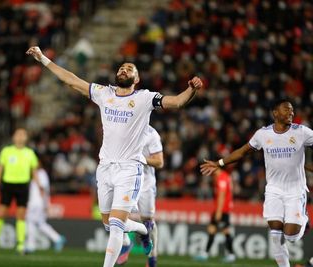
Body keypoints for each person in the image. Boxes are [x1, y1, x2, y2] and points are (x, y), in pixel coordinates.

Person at [27, 46, 203, 267]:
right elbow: (71, 80)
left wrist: (191, 90)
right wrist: (43, 59)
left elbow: (176, 102)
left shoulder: (144, 98)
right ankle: (142, 230)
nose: (124, 70)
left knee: (117, 225)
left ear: (136, 78)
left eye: (129, 69)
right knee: (109, 224)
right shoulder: (104, 93)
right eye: (121, 67)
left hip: (129, 169)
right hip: (105, 168)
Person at [200, 99, 312, 267]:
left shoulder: (302, 132)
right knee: (275, 234)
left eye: (292, 110)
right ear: (275, 113)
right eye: (286, 110)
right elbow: (243, 152)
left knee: (291, 237)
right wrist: (220, 163)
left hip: (295, 191)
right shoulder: (263, 134)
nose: (291, 113)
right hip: (274, 190)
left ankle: (304, 219)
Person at [116, 125, 164, 267]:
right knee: (116, 213)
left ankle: (152, 257)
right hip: (127, 179)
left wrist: (141, 158)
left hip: (146, 184)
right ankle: (125, 242)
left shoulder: (151, 134)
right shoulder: (124, 127)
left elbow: (159, 162)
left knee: (148, 221)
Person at [0, 128, 41, 254]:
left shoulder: (30, 153)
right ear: (13, 137)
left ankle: (21, 245)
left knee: (21, 215)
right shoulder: (6, 151)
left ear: (26, 138)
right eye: (18, 134)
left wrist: (39, 186)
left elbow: (34, 171)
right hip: (7, 184)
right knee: (1, 212)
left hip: (23, 185)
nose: (20, 136)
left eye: (23, 134)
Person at [194, 168, 235, 263]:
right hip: (222, 208)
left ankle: (231, 254)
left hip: (222, 209)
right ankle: (205, 253)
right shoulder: (224, 176)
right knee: (212, 229)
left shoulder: (222, 178)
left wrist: (219, 212)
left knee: (225, 231)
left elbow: (222, 194)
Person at [25, 164, 66, 253]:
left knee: (30, 222)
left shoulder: (41, 173)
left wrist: (45, 204)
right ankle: (57, 238)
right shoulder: (35, 174)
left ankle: (31, 245)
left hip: (37, 203)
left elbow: (43, 189)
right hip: (35, 202)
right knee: (40, 223)